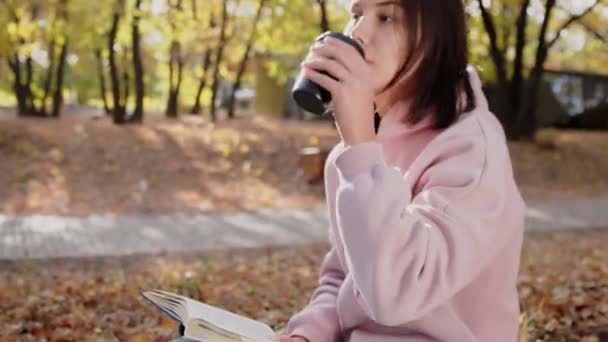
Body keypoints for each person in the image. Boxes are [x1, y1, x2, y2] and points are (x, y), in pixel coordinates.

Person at [276, 0, 526, 341]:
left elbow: (397, 294)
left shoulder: (473, 150)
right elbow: (344, 274)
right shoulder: (351, 156)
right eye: (357, 15)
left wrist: (360, 146)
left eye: (387, 17)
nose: (359, 32)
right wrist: (308, 335)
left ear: (436, 34)